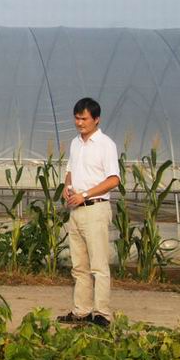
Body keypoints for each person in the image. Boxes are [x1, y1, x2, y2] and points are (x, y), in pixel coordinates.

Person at [58, 97, 120, 328]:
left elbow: (113, 179)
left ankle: (102, 313)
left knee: (98, 265)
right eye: (76, 118)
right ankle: (81, 311)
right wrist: (67, 186)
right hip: (76, 210)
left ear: (96, 119)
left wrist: (85, 195)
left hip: (95, 209)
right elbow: (70, 170)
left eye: (84, 118)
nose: (79, 123)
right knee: (79, 265)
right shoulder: (75, 143)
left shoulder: (105, 145)